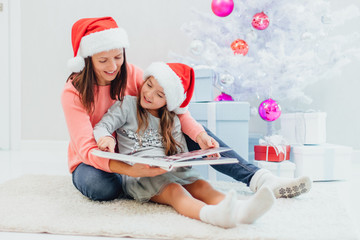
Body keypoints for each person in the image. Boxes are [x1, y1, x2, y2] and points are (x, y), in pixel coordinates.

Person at [61, 16, 312, 202]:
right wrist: (128, 169)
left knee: (198, 136)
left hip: (144, 147)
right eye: (103, 60)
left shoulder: (132, 74)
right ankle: (134, 185)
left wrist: (201, 136)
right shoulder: (73, 93)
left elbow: (176, 108)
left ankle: (261, 179)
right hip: (100, 157)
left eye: (118, 57)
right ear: (87, 59)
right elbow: (86, 149)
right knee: (100, 188)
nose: (113, 66)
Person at [93, 62, 275, 228]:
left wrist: (185, 160)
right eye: (149, 85)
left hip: (169, 169)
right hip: (141, 174)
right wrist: (106, 138)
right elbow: (103, 126)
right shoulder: (127, 105)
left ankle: (243, 211)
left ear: (168, 101)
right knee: (175, 191)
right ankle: (210, 215)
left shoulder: (172, 119)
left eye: (160, 94)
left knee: (203, 186)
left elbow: (180, 153)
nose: (149, 94)